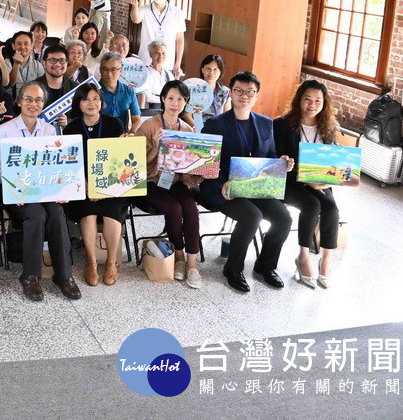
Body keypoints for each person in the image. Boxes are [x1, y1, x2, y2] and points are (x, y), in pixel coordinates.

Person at [200, 71, 294, 293]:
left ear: (257, 96)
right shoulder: (215, 123)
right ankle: (233, 269)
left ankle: (265, 266)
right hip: (221, 186)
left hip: (253, 186)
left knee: (284, 217)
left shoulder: (265, 123)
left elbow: (269, 155)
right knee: (252, 216)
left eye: (250, 92)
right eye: (239, 91)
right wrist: (222, 182)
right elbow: (205, 162)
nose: (244, 96)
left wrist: (280, 163)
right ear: (230, 93)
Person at [0, 82, 80, 302]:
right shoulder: (4, 131)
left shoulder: (49, 130)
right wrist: (18, 188)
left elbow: (58, 166)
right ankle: (30, 275)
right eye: (29, 99)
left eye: (38, 100)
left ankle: (64, 275)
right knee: (37, 215)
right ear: (19, 101)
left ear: (44, 104)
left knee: (57, 214)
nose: (33, 104)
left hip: (44, 189)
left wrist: (62, 187)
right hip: (16, 191)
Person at [276, 80, 347, 289]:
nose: (312, 104)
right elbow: (278, 160)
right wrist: (306, 179)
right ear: (299, 100)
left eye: (318, 100)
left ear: (324, 103)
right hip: (291, 182)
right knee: (312, 206)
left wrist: (329, 178)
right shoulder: (282, 125)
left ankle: (326, 259)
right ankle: (303, 256)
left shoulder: (328, 128)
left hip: (321, 182)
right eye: (308, 99)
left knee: (332, 209)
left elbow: (336, 161)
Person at [134, 80, 202, 289]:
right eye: (170, 98)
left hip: (175, 181)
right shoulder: (149, 125)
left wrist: (200, 159)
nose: (175, 103)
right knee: (174, 208)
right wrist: (155, 147)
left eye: (180, 99)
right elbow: (134, 163)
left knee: (191, 209)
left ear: (186, 103)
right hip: (150, 181)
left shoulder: (188, 129)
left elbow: (191, 167)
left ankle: (192, 264)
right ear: (163, 99)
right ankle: (178, 256)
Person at [63, 82, 128, 287]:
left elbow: (120, 161)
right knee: (88, 212)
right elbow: (71, 163)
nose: (91, 103)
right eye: (86, 99)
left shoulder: (115, 124)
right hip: (82, 185)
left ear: (101, 101)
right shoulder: (71, 128)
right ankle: (91, 261)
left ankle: (110, 262)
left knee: (111, 211)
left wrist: (127, 143)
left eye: (95, 98)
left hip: (112, 184)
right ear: (78, 103)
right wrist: (88, 186)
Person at [128, 0, 187, 76]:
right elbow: (135, 19)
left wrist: (178, 63)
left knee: (165, 89)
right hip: (146, 59)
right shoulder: (145, 9)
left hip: (167, 61)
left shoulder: (177, 12)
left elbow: (180, 39)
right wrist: (135, 6)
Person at [97, 51, 142, 133]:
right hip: (98, 136)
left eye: (113, 70)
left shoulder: (129, 91)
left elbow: (137, 119)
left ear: (120, 71)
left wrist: (132, 133)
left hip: (122, 136)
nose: (109, 74)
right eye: (105, 69)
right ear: (100, 70)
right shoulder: (94, 91)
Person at [33, 43, 74, 109]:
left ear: (67, 63)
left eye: (62, 60)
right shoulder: (32, 87)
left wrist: (68, 120)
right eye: (52, 60)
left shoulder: (75, 88)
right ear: (44, 64)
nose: (57, 64)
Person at [197, 54, 231, 125]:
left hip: (218, 129)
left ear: (220, 72)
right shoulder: (194, 89)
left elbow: (227, 116)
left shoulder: (226, 92)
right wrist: (198, 128)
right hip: (198, 128)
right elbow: (187, 115)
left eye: (215, 69)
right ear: (202, 69)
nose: (211, 72)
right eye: (208, 68)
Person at [140, 40, 173, 114]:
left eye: (163, 53)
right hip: (151, 109)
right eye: (157, 53)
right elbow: (146, 96)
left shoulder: (169, 74)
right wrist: (167, 99)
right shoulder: (145, 73)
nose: (160, 56)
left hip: (167, 110)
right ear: (150, 54)